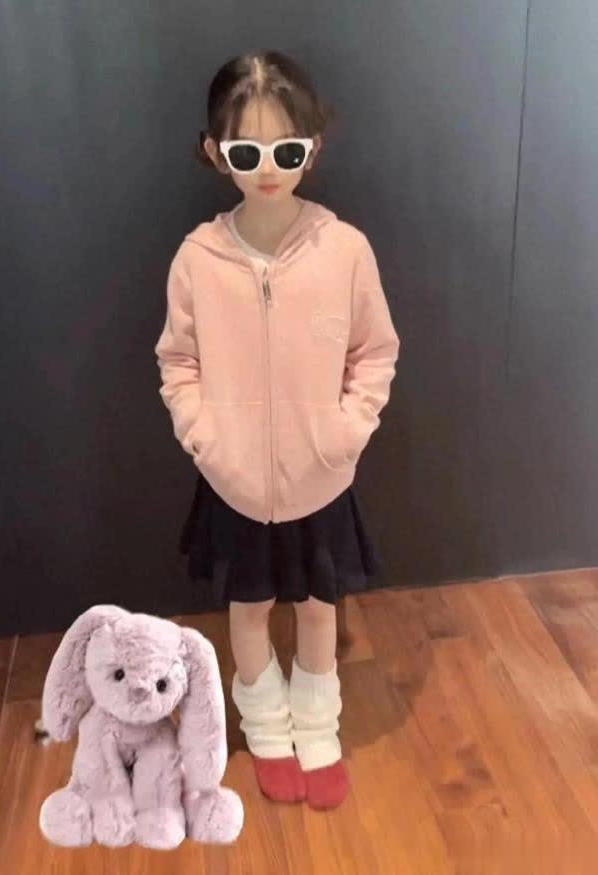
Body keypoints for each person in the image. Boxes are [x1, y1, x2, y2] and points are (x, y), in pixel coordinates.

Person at [154, 51, 400, 811]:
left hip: (320, 476)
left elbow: (374, 352)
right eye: (246, 151)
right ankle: (265, 727)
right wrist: (207, 440)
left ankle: (318, 726)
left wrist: (343, 433)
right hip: (233, 482)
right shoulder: (197, 259)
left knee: (320, 606)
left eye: (286, 151)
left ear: (312, 150)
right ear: (214, 152)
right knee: (250, 606)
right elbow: (178, 362)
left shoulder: (344, 249)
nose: (267, 169)